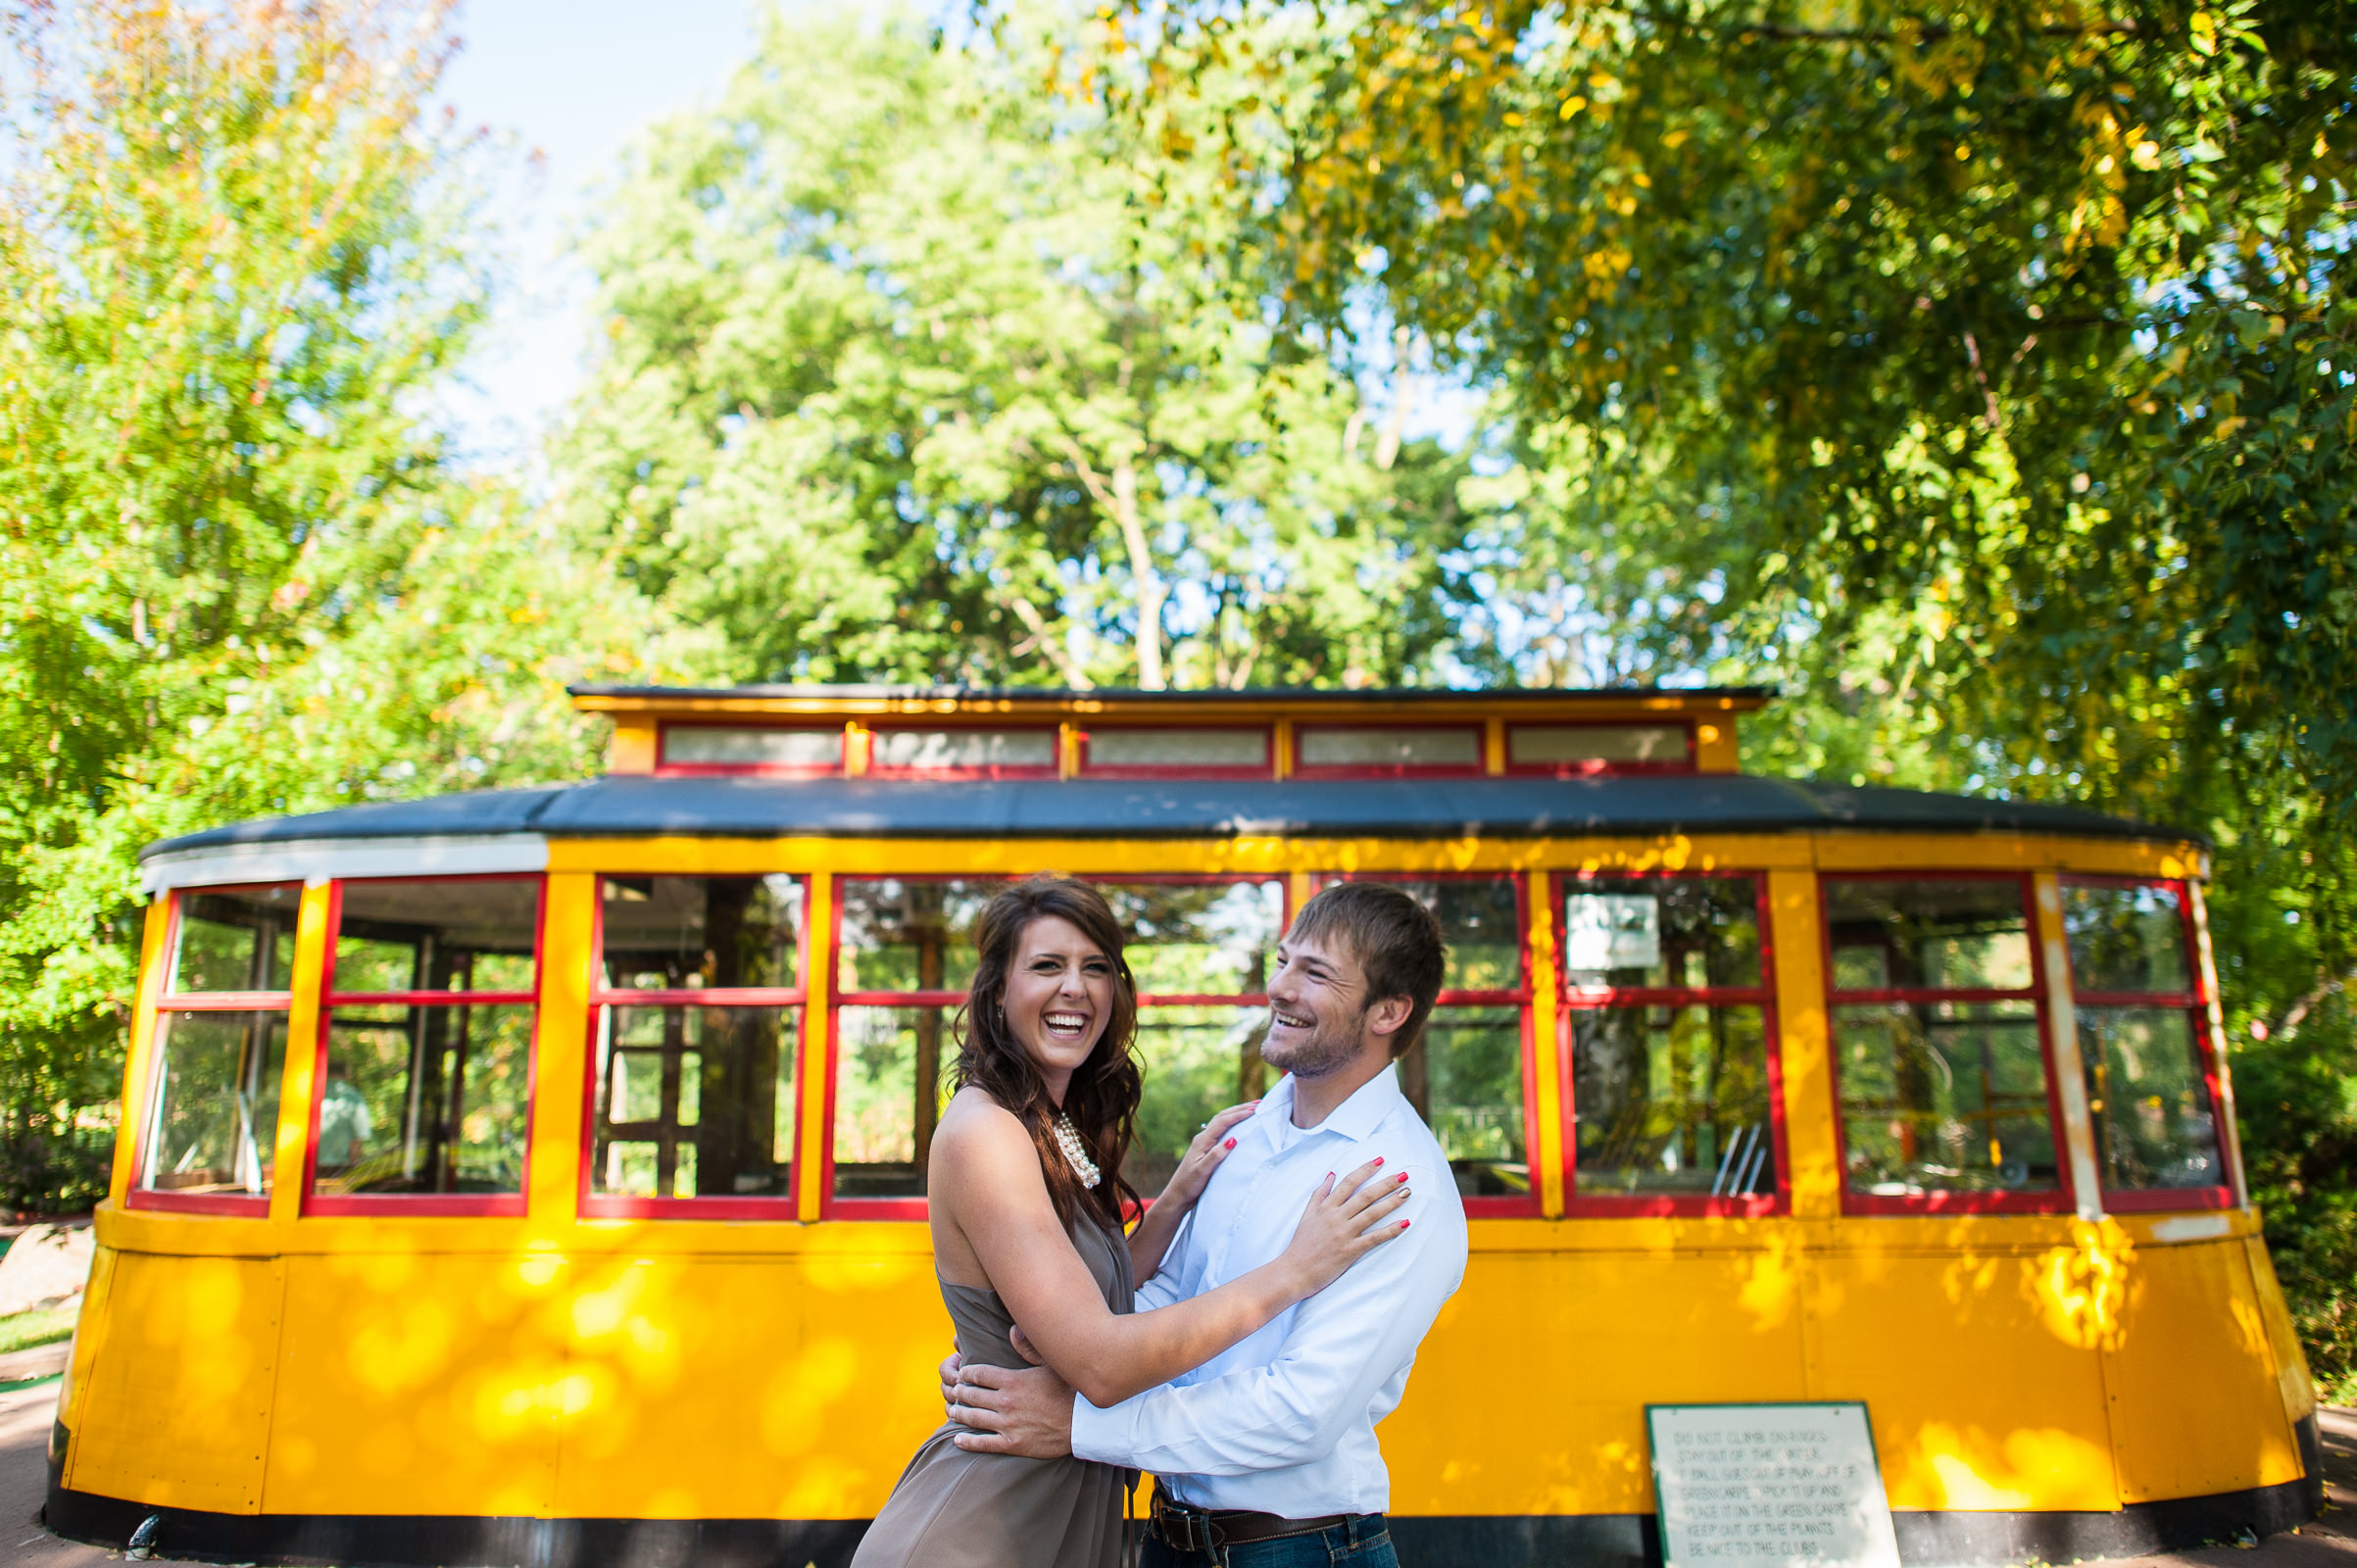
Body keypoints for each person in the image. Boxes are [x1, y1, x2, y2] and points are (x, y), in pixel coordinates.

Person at [849, 874, 1412, 1568]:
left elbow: (1095, 1290)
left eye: (1096, 968)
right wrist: (1293, 1272)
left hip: (1056, 1508)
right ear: (997, 991)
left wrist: (1173, 1200)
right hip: (988, 1522)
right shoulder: (986, 1134)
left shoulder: (1049, 1124)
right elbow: (1103, 1365)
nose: (1075, 989)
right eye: (1046, 966)